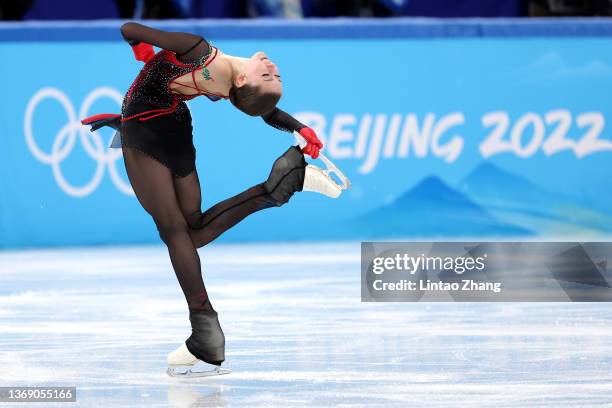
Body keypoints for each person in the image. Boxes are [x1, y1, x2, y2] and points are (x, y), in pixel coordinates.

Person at [82, 22, 344, 376]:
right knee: (193, 230)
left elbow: (130, 27)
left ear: (240, 82)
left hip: (146, 131)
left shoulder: (197, 50)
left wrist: (139, 49)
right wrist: (299, 128)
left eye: (268, 75)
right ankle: (282, 183)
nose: (273, 68)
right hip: (176, 131)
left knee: (175, 232)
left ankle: (205, 329)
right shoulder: (227, 84)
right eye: (274, 75)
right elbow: (262, 109)